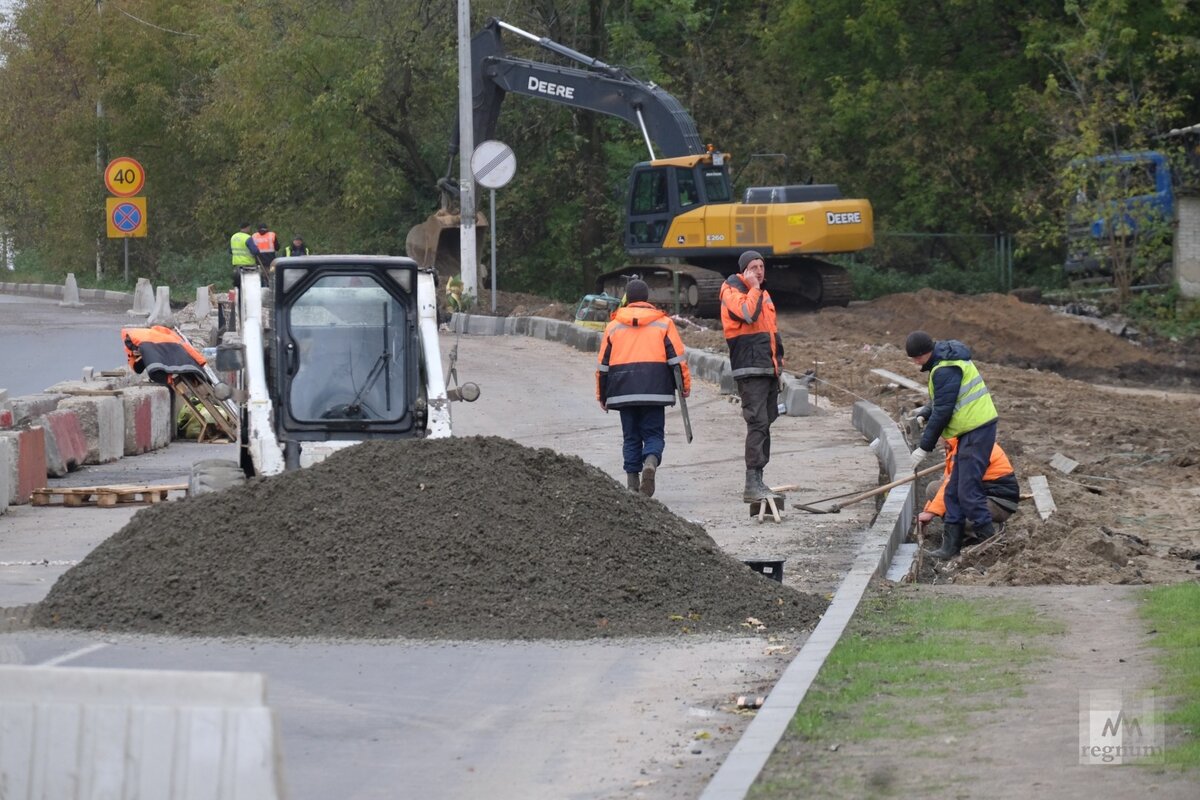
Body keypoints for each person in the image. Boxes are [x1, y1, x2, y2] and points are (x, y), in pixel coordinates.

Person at [906, 330, 999, 559]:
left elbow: (944, 411)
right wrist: (925, 413)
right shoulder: (944, 361)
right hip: (970, 430)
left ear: (921, 354)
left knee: (967, 491)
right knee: (955, 491)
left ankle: (992, 544)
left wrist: (924, 447)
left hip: (977, 430)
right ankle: (950, 547)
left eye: (915, 358)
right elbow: (941, 401)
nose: (914, 362)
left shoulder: (945, 368)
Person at [596, 278, 691, 497]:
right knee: (654, 434)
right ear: (648, 299)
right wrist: (684, 386)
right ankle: (650, 462)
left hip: (622, 391)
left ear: (627, 299)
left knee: (630, 437)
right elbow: (677, 359)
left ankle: (632, 485)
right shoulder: (664, 323)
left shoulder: (613, 326)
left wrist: (602, 395)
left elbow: (603, 365)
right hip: (655, 390)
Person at [721, 250, 785, 502]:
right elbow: (748, 313)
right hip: (749, 368)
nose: (759, 270)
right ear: (743, 270)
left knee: (767, 419)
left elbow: (771, 332)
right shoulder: (732, 290)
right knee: (757, 421)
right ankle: (752, 483)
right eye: (753, 267)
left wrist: (778, 362)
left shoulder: (763, 293)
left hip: (767, 367)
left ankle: (759, 478)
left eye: (761, 266)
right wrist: (754, 288)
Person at [918, 435, 1019, 535]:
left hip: (998, 502)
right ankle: (966, 530)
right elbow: (944, 481)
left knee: (953, 504)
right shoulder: (956, 445)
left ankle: (987, 530)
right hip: (983, 494)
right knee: (933, 488)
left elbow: (952, 485)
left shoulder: (970, 449)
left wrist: (931, 513)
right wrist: (928, 511)